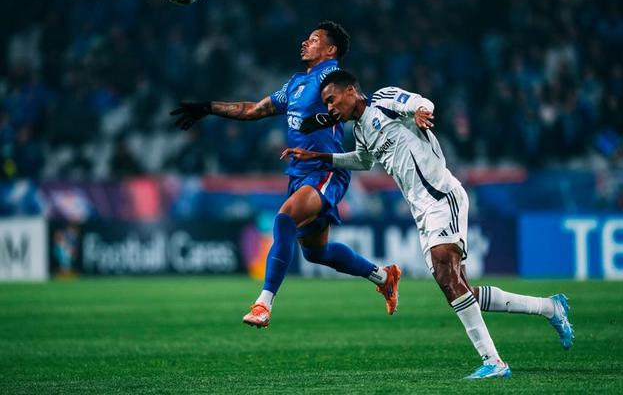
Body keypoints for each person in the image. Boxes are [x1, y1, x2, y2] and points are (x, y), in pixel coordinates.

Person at [282, 70, 574, 379]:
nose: (329, 108)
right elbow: (365, 161)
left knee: (448, 276)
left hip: (441, 197)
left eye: (332, 100)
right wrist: (320, 157)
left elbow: (421, 102)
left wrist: (421, 111)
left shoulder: (383, 100)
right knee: (461, 290)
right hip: (422, 211)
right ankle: (549, 307)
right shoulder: (361, 130)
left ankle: (494, 362)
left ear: (351, 91)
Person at [170, 22, 401, 329]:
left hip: (325, 171)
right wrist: (208, 107)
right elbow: (255, 110)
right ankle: (384, 276)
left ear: (331, 50)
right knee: (316, 253)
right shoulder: (296, 83)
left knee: (284, 219)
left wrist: (404, 112)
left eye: (314, 39)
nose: (305, 42)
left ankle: (263, 304)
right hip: (299, 172)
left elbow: (360, 103)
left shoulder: (332, 78)